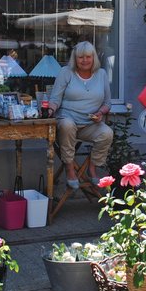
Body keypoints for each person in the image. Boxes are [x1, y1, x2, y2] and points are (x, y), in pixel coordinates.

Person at [47, 41, 112, 189]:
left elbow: (107, 103)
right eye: (80, 57)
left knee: (107, 133)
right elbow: (55, 99)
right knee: (67, 125)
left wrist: (100, 113)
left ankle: (92, 168)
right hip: (67, 122)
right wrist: (49, 110)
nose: (84, 60)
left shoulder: (101, 74)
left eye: (88, 57)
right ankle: (70, 170)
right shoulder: (66, 72)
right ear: (75, 58)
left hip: (90, 124)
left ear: (94, 57)